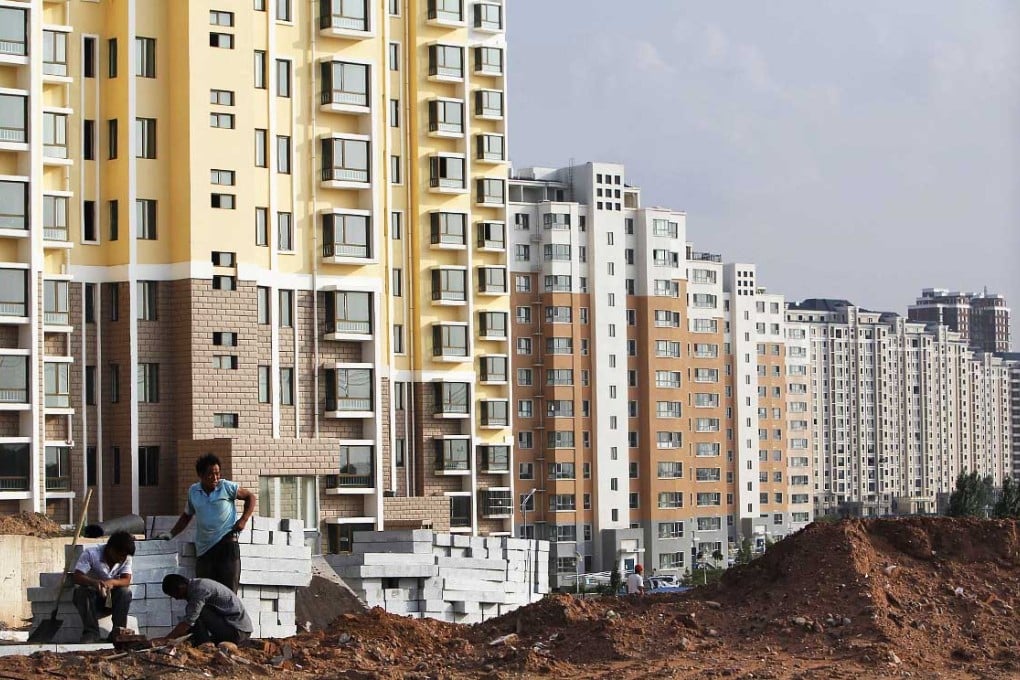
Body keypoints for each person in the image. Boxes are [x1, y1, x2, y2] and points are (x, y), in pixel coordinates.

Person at [158, 453, 256, 592]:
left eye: (217, 473)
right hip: (205, 549)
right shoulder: (194, 491)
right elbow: (187, 516)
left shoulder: (226, 487)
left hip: (226, 543)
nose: (215, 478)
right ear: (201, 475)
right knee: (205, 591)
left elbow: (250, 497)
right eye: (210, 474)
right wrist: (171, 534)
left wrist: (243, 520)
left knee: (228, 593)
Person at [71, 530, 135, 643]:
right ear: (110, 548)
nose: (122, 559)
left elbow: (126, 580)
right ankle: (91, 633)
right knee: (81, 592)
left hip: (112, 600)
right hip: (92, 600)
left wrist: (112, 582)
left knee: (125, 592)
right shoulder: (91, 554)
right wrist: (94, 583)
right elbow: (77, 576)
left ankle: (118, 632)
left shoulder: (126, 559)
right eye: (119, 555)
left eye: (124, 556)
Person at [159, 574, 253, 645]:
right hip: (235, 628)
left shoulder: (199, 590)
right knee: (193, 615)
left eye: (174, 595)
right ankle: (204, 643)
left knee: (197, 613)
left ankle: (205, 645)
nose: (176, 598)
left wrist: (166, 639)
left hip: (238, 630)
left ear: (181, 588)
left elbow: (188, 622)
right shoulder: (197, 585)